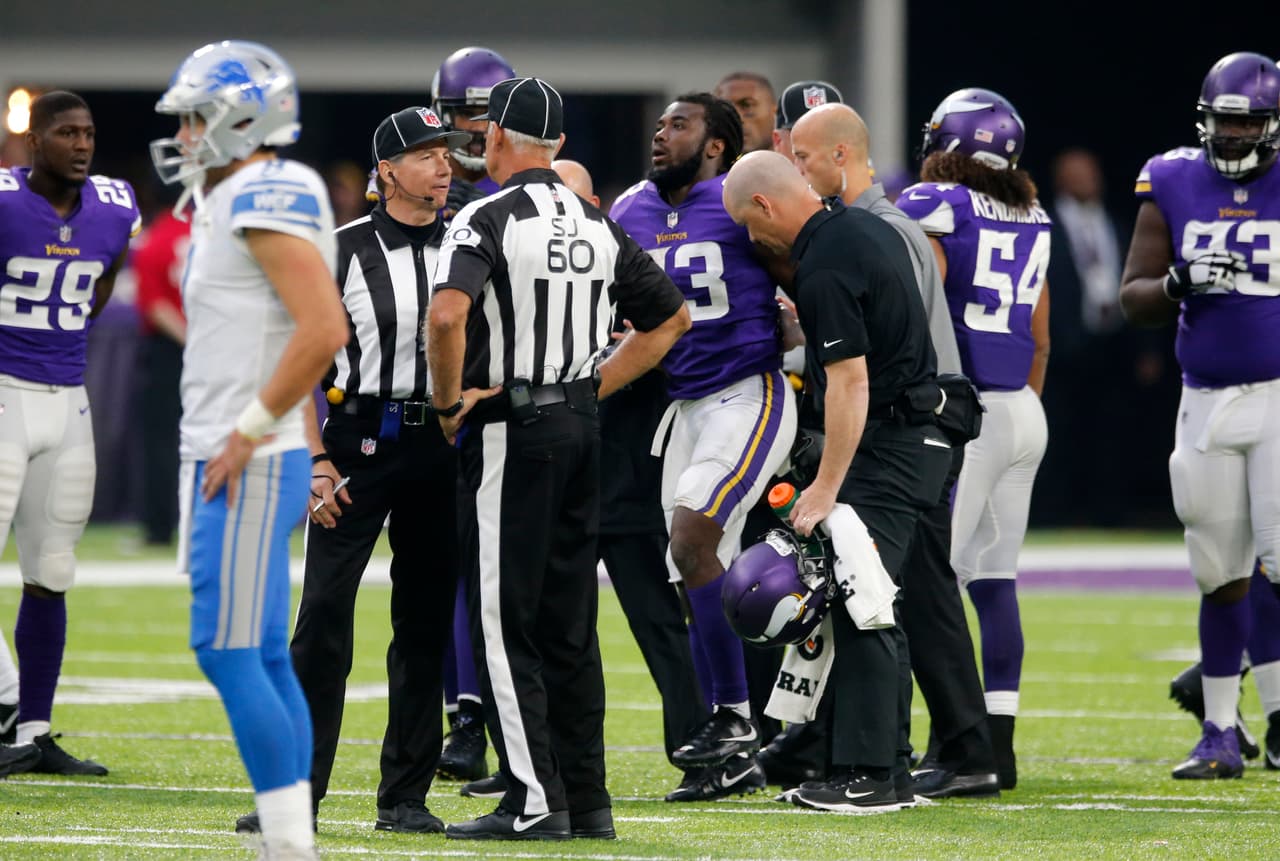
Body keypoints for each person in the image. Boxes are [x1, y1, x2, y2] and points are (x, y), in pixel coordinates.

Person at [428, 75, 690, 840]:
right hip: (582, 428)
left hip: (516, 430)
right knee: (571, 623)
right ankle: (586, 798)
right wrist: (590, 387)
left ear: (496, 138)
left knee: (505, 620)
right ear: (560, 145)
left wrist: (449, 406)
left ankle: (534, 800)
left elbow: (448, 315)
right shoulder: (595, 218)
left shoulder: (486, 213)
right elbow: (670, 318)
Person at [235, 106, 471, 837]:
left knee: (424, 622)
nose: (444, 167)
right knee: (323, 620)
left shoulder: (473, 240)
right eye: (428, 154)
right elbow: (291, 360)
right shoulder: (338, 250)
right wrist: (312, 458)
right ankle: (296, 794)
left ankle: (405, 795)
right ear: (388, 170)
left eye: (449, 154)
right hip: (355, 441)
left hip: (440, 439)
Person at [151, 40, 349, 860]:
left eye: (198, 116)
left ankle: (288, 844)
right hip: (244, 447)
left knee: (226, 646)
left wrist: (246, 431)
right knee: (262, 649)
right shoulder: (230, 193)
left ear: (242, 116)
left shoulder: (266, 190)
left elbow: (322, 329)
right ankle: (288, 840)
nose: (188, 133)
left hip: (246, 452)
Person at [724, 150, 952, 814]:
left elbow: (852, 381)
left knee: (864, 598)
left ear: (766, 206)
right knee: (870, 598)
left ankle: (873, 774)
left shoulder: (822, 262)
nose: (753, 239)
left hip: (888, 440)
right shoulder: (862, 226)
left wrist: (824, 486)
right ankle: (879, 768)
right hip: (909, 430)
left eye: (750, 224)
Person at [790, 102, 1000, 797]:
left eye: (805, 156)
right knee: (915, 586)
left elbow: (900, 350)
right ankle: (958, 746)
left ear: (841, 158)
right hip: (920, 415)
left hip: (916, 417)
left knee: (893, 587)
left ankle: (905, 757)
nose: (798, 171)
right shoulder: (877, 226)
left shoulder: (877, 229)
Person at [610, 92, 797, 800]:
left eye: (678, 124)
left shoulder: (744, 197)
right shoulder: (629, 211)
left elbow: (805, 280)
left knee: (693, 541)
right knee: (694, 569)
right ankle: (739, 736)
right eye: (657, 124)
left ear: (715, 143)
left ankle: (736, 721)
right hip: (685, 408)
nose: (661, 134)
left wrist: (814, 338)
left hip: (750, 390)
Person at [1119, 51, 1280, 781]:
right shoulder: (1175, 176)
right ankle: (1220, 729)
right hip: (1205, 397)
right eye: (1226, 122)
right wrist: (1179, 282)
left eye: (1249, 124)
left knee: (1279, 561)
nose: (1237, 136)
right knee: (1217, 569)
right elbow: (1133, 296)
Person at [896, 89, 1051, 791]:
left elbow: (922, 301)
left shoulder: (939, 201)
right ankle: (999, 743)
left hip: (971, 411)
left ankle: (954, 744)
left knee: (929, 582)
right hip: (1022, 407)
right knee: (995, 580)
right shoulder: (1033, 214)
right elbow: (1041, 337)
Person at [554, 156, 711, 791]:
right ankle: (537, 768)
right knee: (539, 627)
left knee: (658, 622)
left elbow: (673, 329)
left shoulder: (623, 255)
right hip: (548, 471)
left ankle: (701, 750)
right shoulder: (507, 252)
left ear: (596, 205)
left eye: (569, 199)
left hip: (623, 472)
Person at [0, 89, 138, 779]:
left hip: (66, 396)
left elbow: (105, 276)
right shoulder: (2, 200)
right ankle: (4, 699)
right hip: (2, 390)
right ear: (34, 142)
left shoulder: (115, 205)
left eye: (88, 132)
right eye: (66, 133)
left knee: (51, 572)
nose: (81, 144)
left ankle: (33, 729)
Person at [430, 45, 519, 787]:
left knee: (493, 574)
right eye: (465, 112)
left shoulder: (524, 185)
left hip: (499, 399)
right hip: (434, 397)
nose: (473, 128)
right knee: (438, 571)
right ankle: (459, 715)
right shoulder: (419, 176)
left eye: (486, 113)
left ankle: (481, 716)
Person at [133, 199, 190, 547]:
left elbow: (154, 307)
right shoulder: (211, 229)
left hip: (169, 351)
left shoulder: (155, 239)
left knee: (161, 442)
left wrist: (189, 340)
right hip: (216, 349)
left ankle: (159, 528)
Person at [772, 80, 843, 162]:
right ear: (778, 141)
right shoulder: (758, 172)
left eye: (827, 135)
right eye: (804, 136)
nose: (817, 148)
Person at [714, 72, 776, 155]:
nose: (735, 118)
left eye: (747, 105)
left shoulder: (794, 166)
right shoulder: (700, 166)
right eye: (726, 108)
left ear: (775, 113)